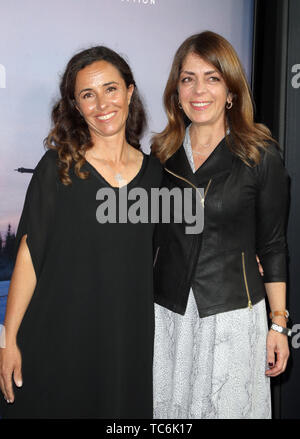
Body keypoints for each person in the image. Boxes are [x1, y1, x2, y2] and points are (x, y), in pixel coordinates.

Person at [0, 46, 162, 418]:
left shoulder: (157, 177)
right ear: (75, 105)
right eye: (87, 94)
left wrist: (243, 253)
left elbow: (181, 243)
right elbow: (28, 253)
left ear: (130, 92)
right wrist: (8, 339)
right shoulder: (57, 168)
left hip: (124, 346)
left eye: (111, 89)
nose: (102, 103)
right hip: (56, 339)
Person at [151, 31, 290, 419]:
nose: (199, 90)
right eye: (188, 78)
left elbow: (274, 246)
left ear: (230, 91)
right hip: (168, 317)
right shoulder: (160, 155)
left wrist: (278, 324)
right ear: (176, 91)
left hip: (231, 316)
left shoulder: (260, 155)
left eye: (212, 78)